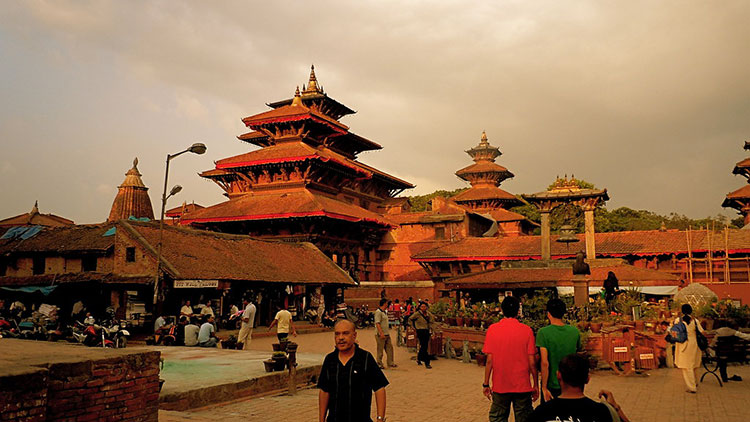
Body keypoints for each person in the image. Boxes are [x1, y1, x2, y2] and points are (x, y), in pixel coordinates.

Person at [318, 319, 388, 422]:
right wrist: (321, 419)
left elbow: (379, 388)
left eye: (345, 333)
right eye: (337, 334)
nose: (341, 338)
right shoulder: (330, 360)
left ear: (354, 336)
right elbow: (324, 391)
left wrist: (380, 418)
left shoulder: (365, 358)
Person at [482, 296, 538, 422]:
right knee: (524, 418)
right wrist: (535, 385)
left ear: (502, 310)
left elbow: (489, 360)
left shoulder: (493, 329)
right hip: (522, 385)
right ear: (518, 310)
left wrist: (486, 383)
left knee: (498, 417)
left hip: (500, 384)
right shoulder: (527, 331)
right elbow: (532, 362)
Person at [528, 353, 629, 422]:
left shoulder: (542, 412)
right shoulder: (601, 412)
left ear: (558, 375)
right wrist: (615, 407)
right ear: (588, 379)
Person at [537, 298, 581, 401]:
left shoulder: (543, 333)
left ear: (548, 314)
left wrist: (544, 387)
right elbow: (577, 354)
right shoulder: (574, 331)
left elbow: (544, 363)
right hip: (571, 383)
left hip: (552, 383)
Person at [673, 303, 704, 393]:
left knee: (687, 367)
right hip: (694, 344)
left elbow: (674, 333)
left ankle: (691, 387)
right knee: (695, 364)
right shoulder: (695, 321)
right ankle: (695, 382)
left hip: (683, 345)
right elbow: (702, 331)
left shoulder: (678, 320)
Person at [409, 301, 435, 369]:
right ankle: (427, 362)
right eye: (422, 307)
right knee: (424, 346)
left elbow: (432, 323)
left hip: (426, 330)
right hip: (420, 330)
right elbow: (410, 319)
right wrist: (413, 327)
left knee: (424, 346)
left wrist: (433, 332)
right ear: (420, 307)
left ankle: (419, 358)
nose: (423, 308)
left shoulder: (429, 314)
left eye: (424, 306)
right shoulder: (417, 314)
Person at [374, 298, 396, 369]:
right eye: (387, 303)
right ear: (384, 303)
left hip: (386, 333)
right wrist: (381, 333)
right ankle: (379, 363)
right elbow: (377, 323)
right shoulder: (378, 312)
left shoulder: (384, 312)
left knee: (389, 348)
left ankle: (390, 362)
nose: (388, 304)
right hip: (380, 334)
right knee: (380, 349)